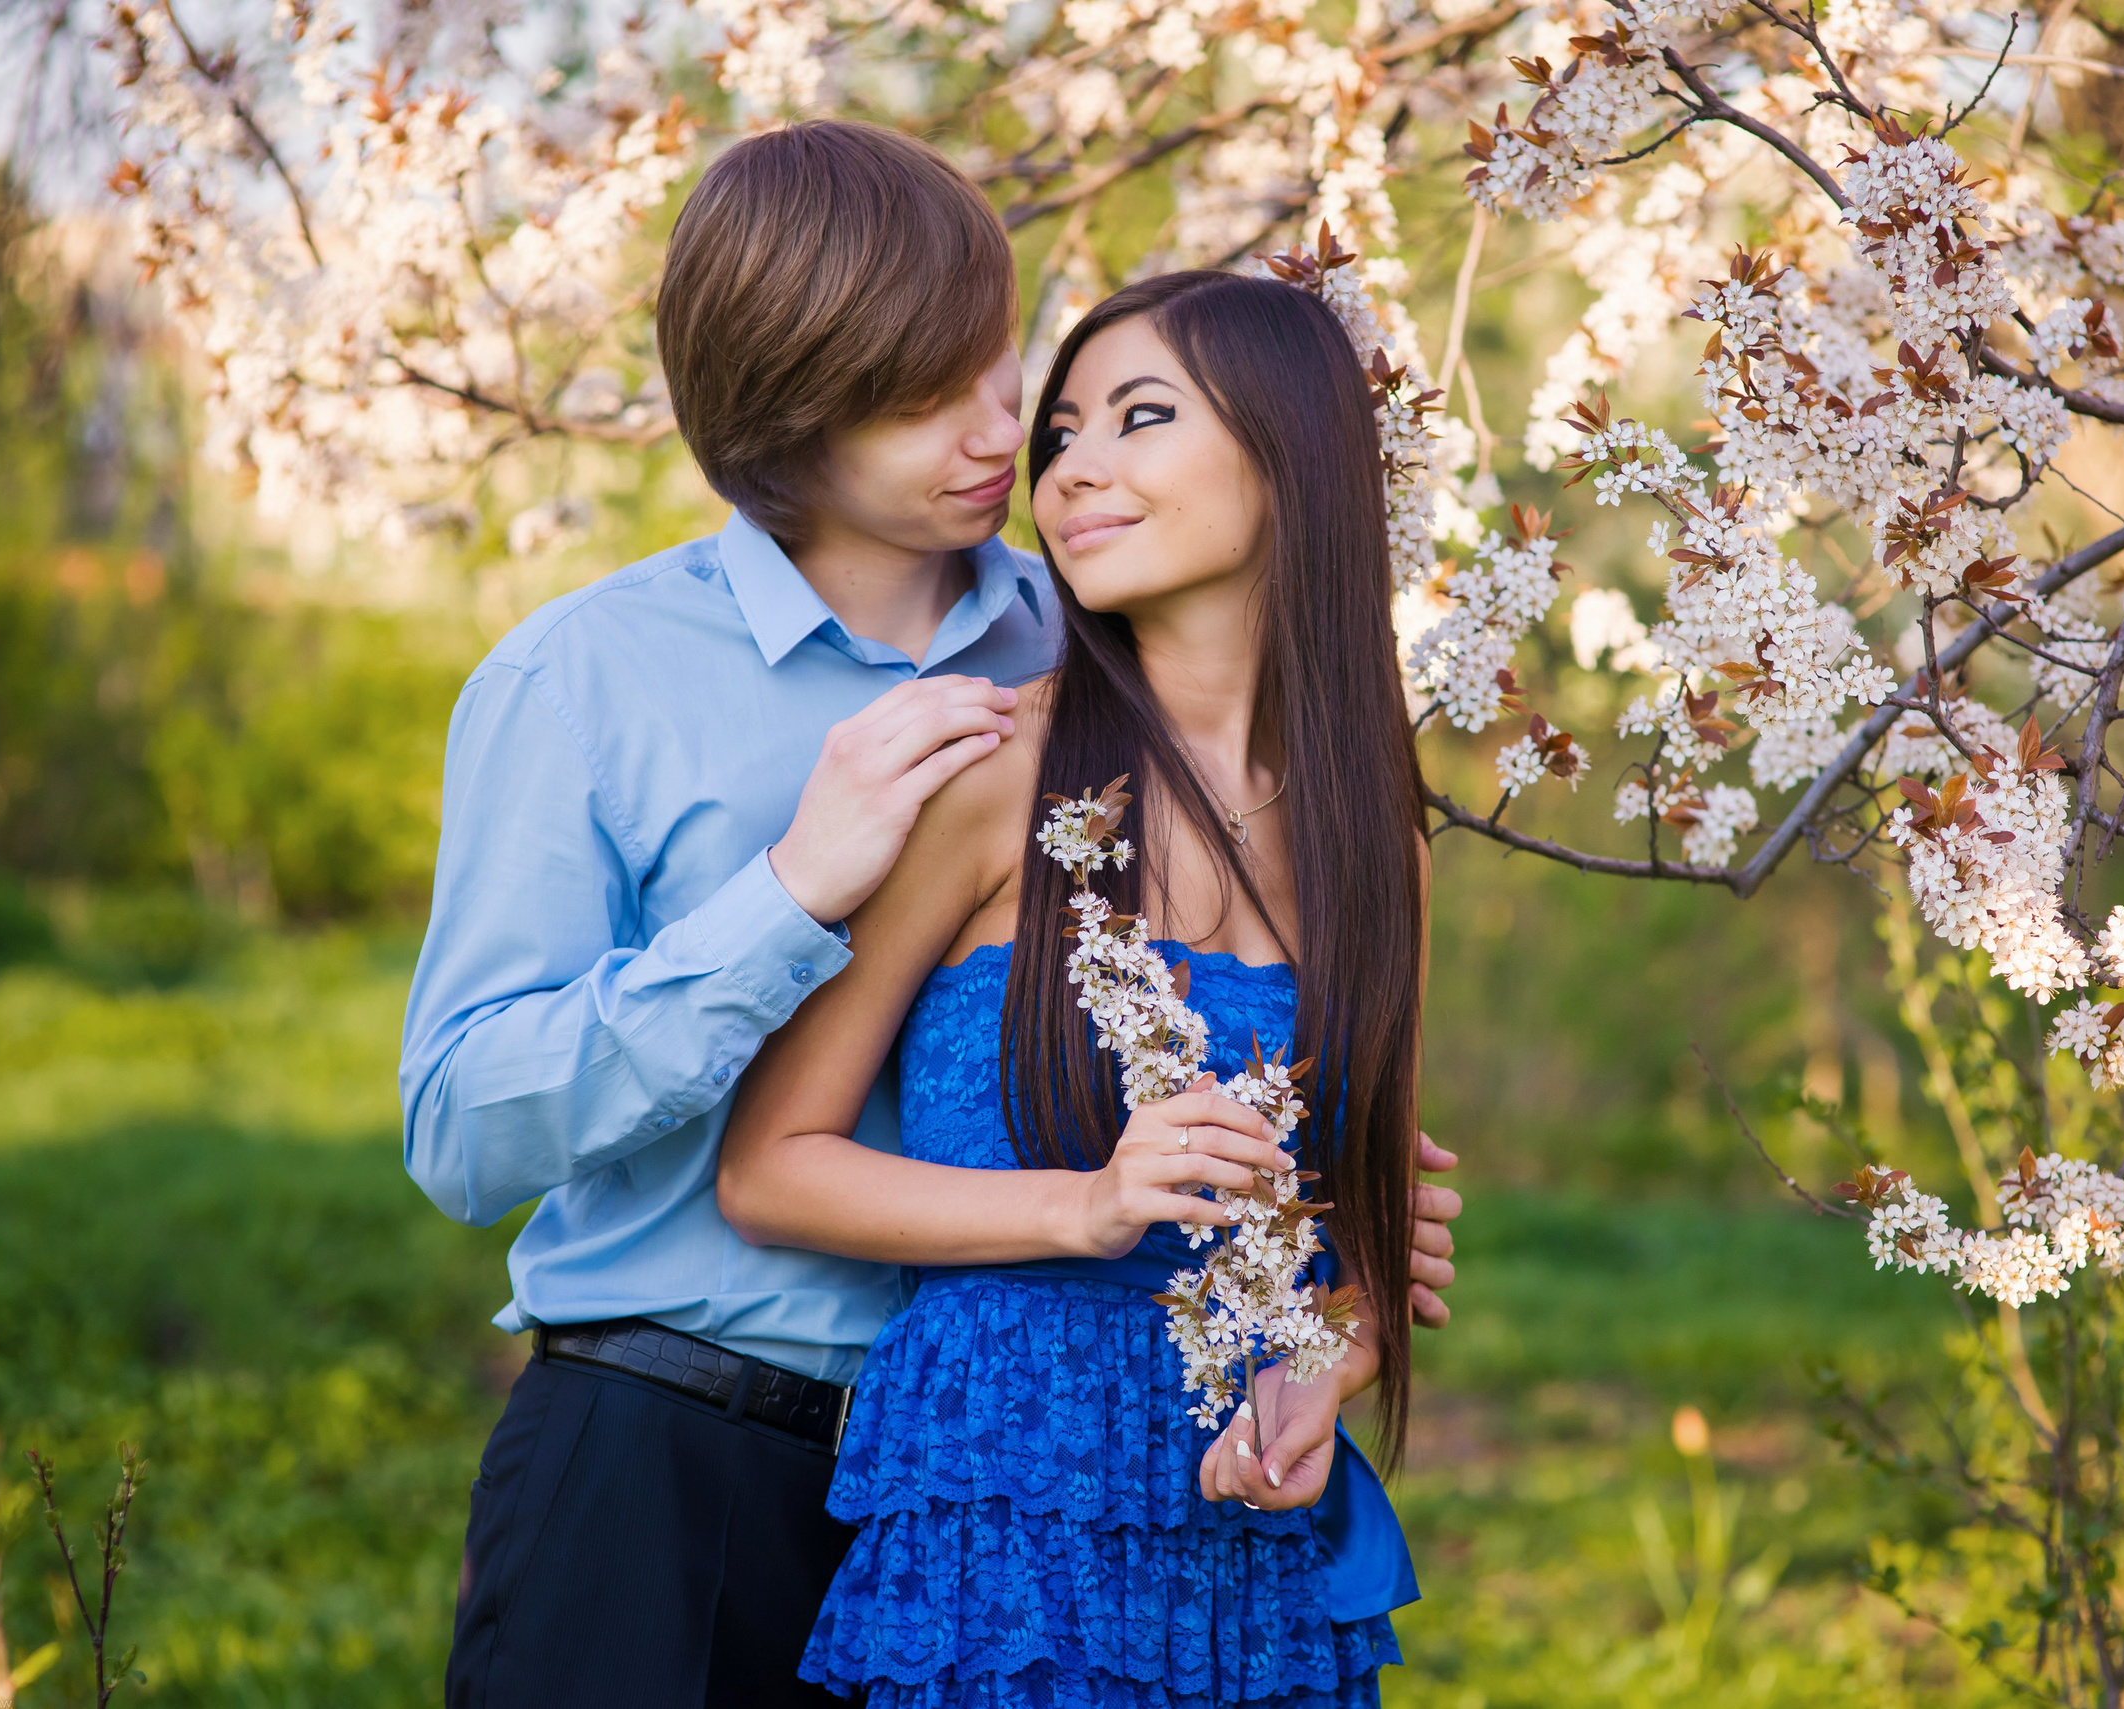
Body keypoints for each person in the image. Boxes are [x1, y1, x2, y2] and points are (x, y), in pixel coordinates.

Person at [399, 121, 1462, 1709]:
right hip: (677, 1446)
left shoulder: (1088, 645)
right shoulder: (590, 681)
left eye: (999, 370)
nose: (1006, 440)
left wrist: (1346, 1239)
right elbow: (461, 1129)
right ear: (788, 418)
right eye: (922, 397)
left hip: (1022, 1480)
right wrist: (788, 893)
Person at [716, 268, 1429, 1708]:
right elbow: (770, 1165)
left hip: (1248, 1535)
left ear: (1291, 451)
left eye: (1140, 418)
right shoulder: (995, 774)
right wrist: (1086, 1204)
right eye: (1062, 436)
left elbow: (1358, 1236)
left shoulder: (1374, 827)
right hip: (1004, 1499)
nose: (1071, 469)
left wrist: (1329, 1365)